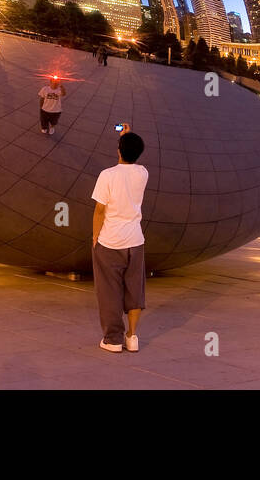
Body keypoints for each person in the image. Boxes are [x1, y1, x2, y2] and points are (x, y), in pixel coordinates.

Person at [91, 125, 149, 353]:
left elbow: (99, 210)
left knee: (109, 293)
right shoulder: (143, 173)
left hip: (110, 241)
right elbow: (130, 157)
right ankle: (132, 336)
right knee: (135, 290)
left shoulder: (107, 175)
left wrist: (95, 235)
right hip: (135, 241)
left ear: (118, 151)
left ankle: (113, 339)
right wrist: (126, 136)